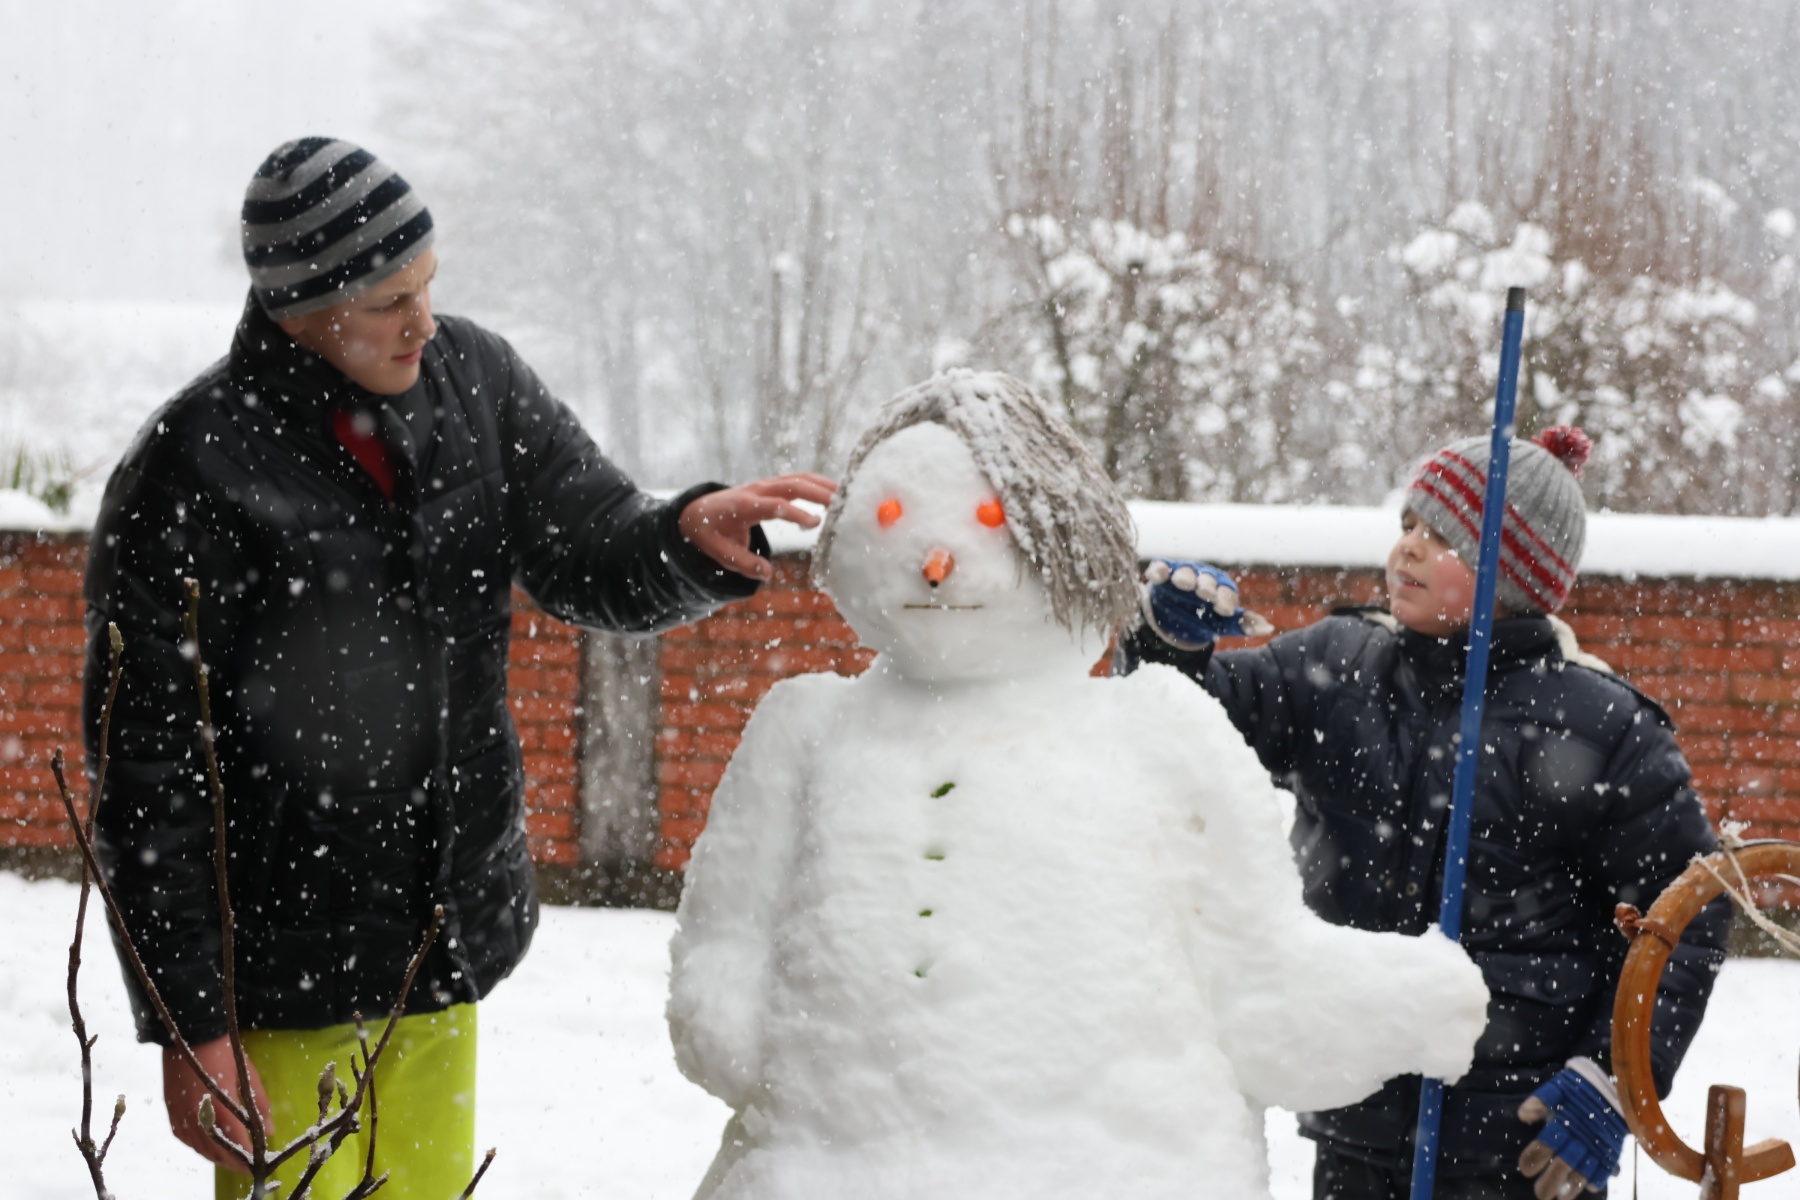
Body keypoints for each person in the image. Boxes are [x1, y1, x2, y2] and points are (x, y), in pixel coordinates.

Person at [82, 136, 834, 1198]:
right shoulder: (193, 467)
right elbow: (146, 773)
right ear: (304, 308)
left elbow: (586, 540)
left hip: (440, 943)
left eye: (429, 285)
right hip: (281, 982)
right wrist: (188, 1025)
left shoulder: (473, 382)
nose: (423, 321)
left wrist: (679, 536)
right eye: (391, 299)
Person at [1117, 427, 1728, 1200]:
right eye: (1408, 523)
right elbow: (1192, 731)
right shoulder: (1338, 667)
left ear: (1513, 574)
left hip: (1526, 1142)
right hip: (1356, 1116)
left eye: (1443, 538)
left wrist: (1613, 1081)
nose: (1407, 547)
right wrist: (1170, 647)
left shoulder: (1604, 728)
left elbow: (1685, 916)